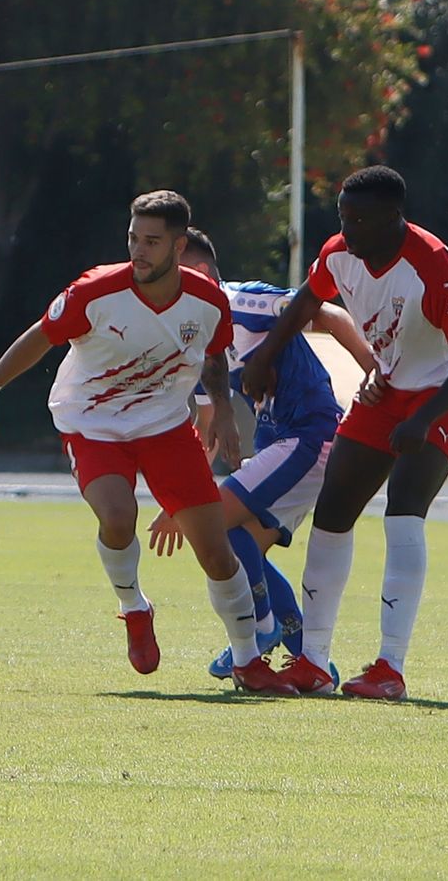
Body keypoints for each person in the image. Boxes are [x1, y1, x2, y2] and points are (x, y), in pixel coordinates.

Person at [0, 191, 299, 695]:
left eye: (152, 242)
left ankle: (248, 661)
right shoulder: (95, 291)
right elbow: (42, 334)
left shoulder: (208, 301)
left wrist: (224, 410)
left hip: (165, 428)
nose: (138, 251)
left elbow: (212, 356)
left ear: (179, 247)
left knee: (215, 551)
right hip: (92, 425)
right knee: (119, 517)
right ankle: (134, 607)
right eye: (133, 239)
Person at [242, 165, 448, 701]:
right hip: (388, 390)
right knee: (333, 509)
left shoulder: (433, 266)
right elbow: (307, 300)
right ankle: (312, 662)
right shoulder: (340, 253)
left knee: (403, 509)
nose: (347, 230)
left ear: (394, 217)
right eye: (343, 217)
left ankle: (389, 668)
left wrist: (423, 419)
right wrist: (264, 356)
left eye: (359, 220)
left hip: (444, 393)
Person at [145, 228, 377, 688]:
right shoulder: (196, 337)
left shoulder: (242, 301)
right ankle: (310, 661)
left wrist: (374, 370)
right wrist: (181, 496)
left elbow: (325, 311)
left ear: (201, 272)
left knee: (214, 526)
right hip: (285, 446)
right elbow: (207, 426)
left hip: (309, 436)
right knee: (238, 540)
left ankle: (261, 626)